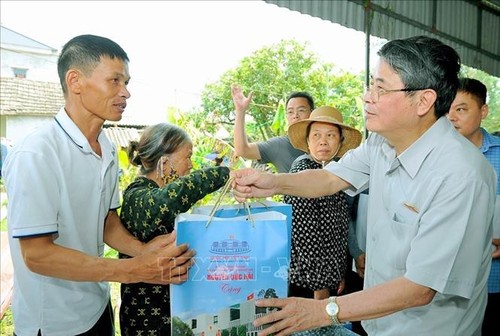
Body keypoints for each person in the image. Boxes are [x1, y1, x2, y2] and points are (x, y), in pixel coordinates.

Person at [231, 35, 496, 336]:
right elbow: (331, 177)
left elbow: (421, 287)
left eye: (381, 88)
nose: (368, 96)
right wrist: (272, 183)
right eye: (371, 84)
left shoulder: (461, 175)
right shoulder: (381, 144)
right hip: (378, 323)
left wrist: (321, 310)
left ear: (424, 100)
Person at [3, 34, 194, 335]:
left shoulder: (105, 148)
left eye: (127, 82)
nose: (126, 92)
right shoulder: (36, 153)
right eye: (115, 81)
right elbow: (37, 254)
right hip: (55, 323)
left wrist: (141, 250)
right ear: (75, 81)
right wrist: (132, 270)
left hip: (97, 307)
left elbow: (106, 221)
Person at [119, 123, 230, 335]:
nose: (190, 166)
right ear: (164, 162)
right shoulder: (138, 196)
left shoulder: (156, 192)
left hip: (169, 311)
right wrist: (226, 173)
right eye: (187, 157)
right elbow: (170, 199)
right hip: (145, 318)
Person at [285, 105, 362, 300]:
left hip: (330, 278)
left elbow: (337, 231)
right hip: (308, 283)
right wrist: (320, 286)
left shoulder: (336, 173)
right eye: (316, 136)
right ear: (308, 142)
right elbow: (305, 233)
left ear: (340, 141)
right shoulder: (302, 170)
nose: (323, 142)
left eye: (330, 135)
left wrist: (338, 275)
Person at [447, 77, 500, 336]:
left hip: (494, 279)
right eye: (447, 109)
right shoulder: (436, 159)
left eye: (461, 109)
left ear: (483, 111)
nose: (452, 117)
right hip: (447, 284)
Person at [231, 84, 314, 173]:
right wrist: (240, 111)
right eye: (290, 112)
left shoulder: (325, 140)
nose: (295, 116)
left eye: (301, 110)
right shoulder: (279, 145)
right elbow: (242, 150)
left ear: (312, 112)